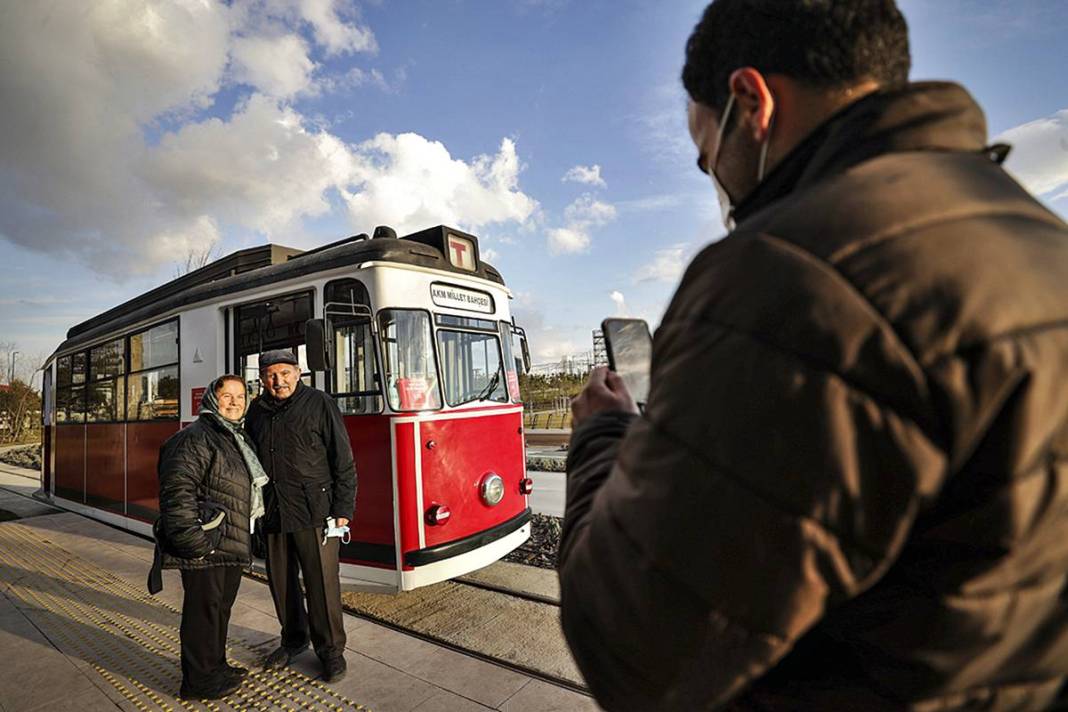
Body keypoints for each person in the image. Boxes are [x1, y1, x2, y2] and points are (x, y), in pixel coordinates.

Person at [558, 1, 1068, 710]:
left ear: (751, 102)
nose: (713, 172)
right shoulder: (1042, 239)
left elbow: (631, 646)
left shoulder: (787, 275)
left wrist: (602, 436)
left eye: (707, 151)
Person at [245, 349, 356, 683]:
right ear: (262, 379)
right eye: (270, 375)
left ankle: (332, 651)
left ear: (298, 372)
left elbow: (343, 459)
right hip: (274, 511)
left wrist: (343, 509)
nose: (278, 381)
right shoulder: (257, 411)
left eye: (285, 373)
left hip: (316, 513)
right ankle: (293, 640)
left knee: (322, 585)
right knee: (282, 584)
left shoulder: (319, 403)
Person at [158, 375, 269, 700]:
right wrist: (195, 545)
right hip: (207, 544)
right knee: (202, 612)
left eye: (240, 396)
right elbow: (177, 493)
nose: (234, 402)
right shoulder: (195, 437)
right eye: (226, 396)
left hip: (228, 541)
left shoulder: (233, 436)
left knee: (219, 609)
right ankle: (197, 682)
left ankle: (215, 666)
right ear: (211, 399)